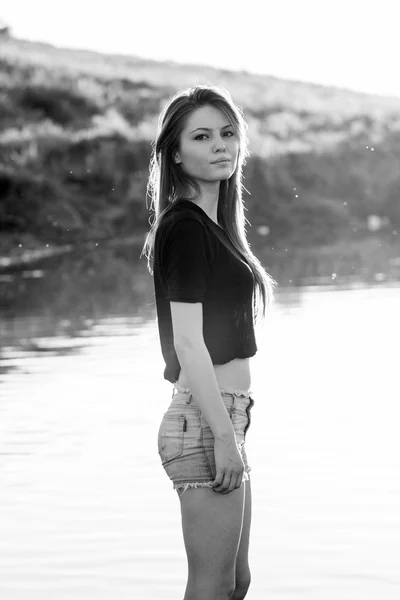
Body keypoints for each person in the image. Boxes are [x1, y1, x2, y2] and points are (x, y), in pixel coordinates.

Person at [141, 84, 276, 600]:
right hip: (205, 420)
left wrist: (231, 429)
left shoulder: (213, 228)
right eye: (202, 136)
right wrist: (223, 437)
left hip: (226, 414)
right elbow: (189, 346)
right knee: (211, 586)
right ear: (175, 152)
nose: (221, 145)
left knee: (235, 583)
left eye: (227, 133)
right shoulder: (185, 227)